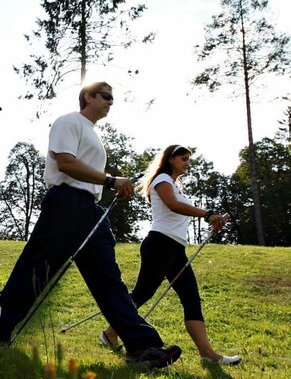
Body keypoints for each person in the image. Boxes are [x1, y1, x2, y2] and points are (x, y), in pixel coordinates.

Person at [0, 81, 183, 370]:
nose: (110, 102)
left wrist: (106, 184)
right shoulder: (69, 122)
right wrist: (110, 180)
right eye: (105, 96)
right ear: (87, 96)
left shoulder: (92, 133)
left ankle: (143, 347)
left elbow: (86, 170)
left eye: (112, 98)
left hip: (91, 210)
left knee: (109, 279)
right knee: (36, 270)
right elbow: (65, 163)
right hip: (65, 203)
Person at [99, 145, 239, 365]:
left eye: (188, 160)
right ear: (171, 159)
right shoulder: (161, 180)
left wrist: (212, 220)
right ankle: (110, 334)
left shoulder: (175, 185)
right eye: (183, 159)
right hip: (159, 244)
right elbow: (173, 206)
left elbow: (179, 209)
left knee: (191, 298)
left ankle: (207, 354)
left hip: (176, 248)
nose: (187, 163)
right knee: (142, 293)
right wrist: (207, 214)